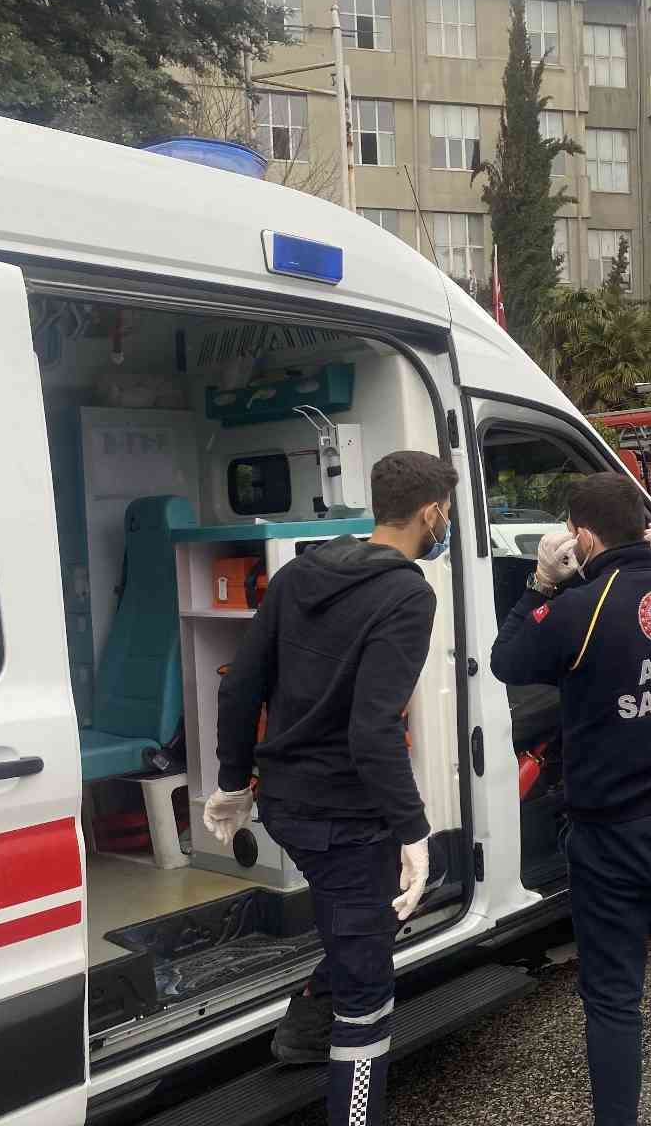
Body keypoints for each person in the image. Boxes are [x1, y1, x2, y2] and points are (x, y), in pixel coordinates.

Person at [203, 449, 458, 1126]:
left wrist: (234, 783)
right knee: (368, 994)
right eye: (448, 512)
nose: (446, 523)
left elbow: (242, 689)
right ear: (431, 511)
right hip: (346, 817)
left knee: (358, 924)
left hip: (285, 803)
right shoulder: (408, 592)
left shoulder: (300, 572)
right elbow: (374, 730)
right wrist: (414, 830)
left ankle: (306, 1025)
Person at [490, 473, 651, 1126]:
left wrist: (542, 584)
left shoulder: (578, 609)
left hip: (612, 836)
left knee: (612, 998)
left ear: (579, 534)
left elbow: (508, 659)